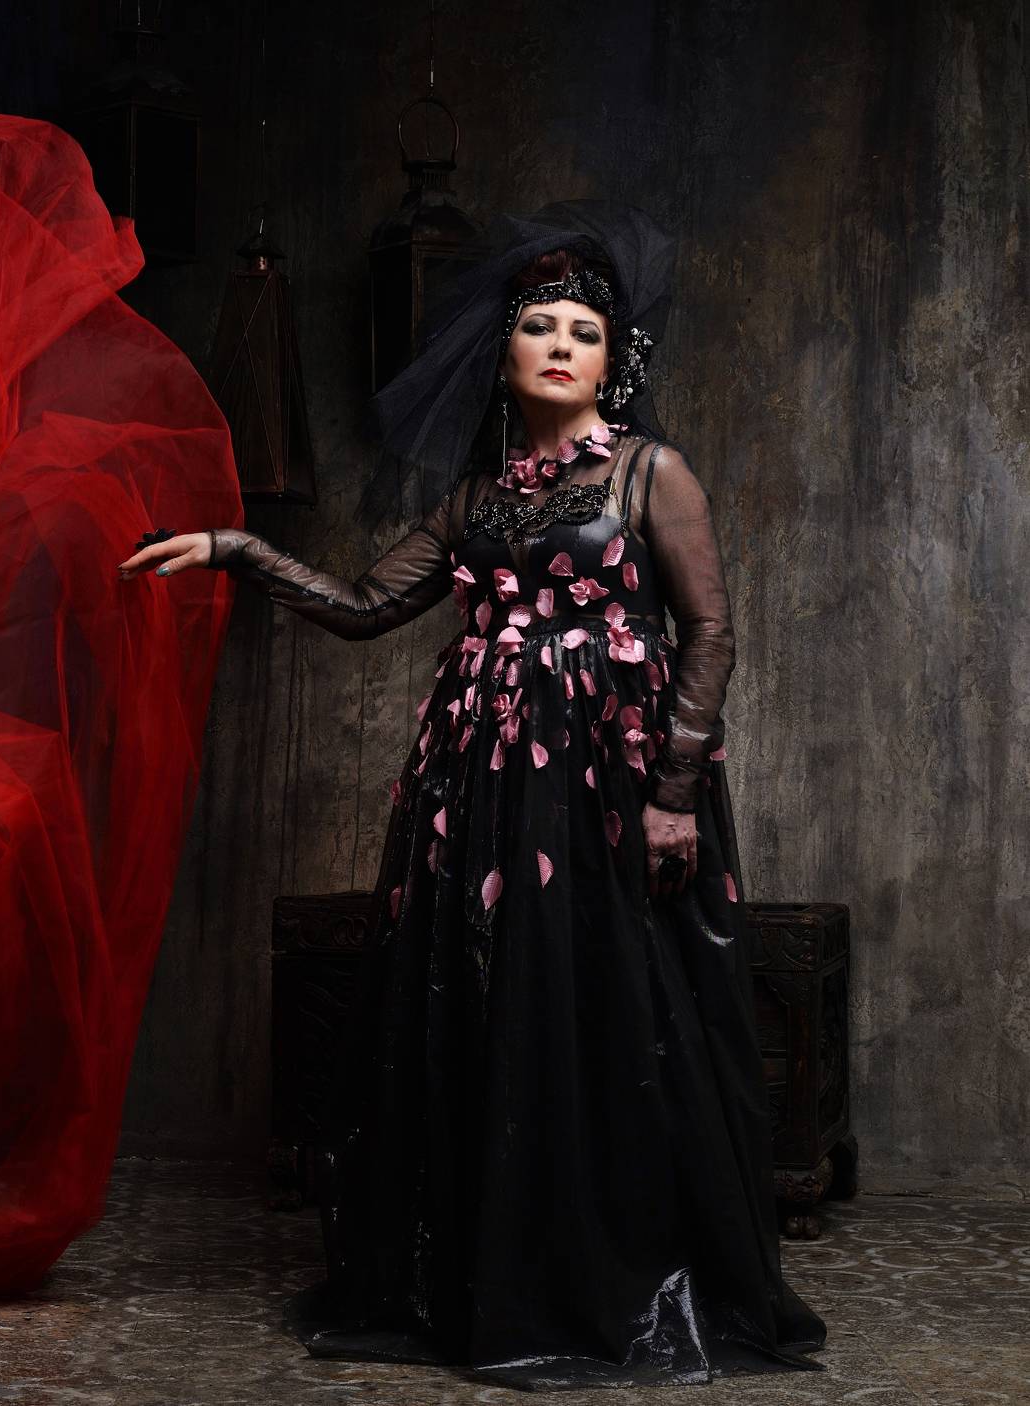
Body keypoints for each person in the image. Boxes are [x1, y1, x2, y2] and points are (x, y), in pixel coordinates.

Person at [116, 201, 828, 1390]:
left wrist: (673, 792)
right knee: (493, 1003)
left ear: (612, 359)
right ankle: (492, 1270)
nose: (561, 345)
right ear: (502, 355)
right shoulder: (474, 501)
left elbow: (709, 632)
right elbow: (360, 605)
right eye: (540, 327)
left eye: (585, 332)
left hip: (612, 787)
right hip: (484, 785)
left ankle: (612, 1272)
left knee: (608, 1009)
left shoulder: (653, 474)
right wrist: (236, 548)